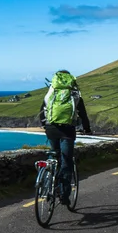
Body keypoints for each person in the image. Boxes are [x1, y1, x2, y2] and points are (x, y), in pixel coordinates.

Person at [39, 70, 92, 206]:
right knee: (66, 163)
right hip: (67, 131)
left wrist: (45, 126)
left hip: (51, 129)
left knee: (53, 154)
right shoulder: (75, 95)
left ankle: (46, 184)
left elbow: (42, 112)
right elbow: (84, 116)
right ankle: (64, 195)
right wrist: (87, 129)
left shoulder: (51, 93)